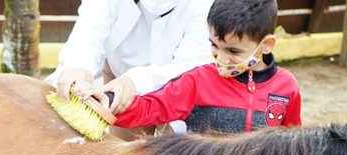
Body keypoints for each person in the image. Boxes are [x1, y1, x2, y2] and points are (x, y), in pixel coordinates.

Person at [104, 0, 302, 134]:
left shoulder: (287, 87)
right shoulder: (199, 79)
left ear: (266, 45)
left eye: (233, 51)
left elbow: (292, 141)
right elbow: (153, 107)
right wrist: (108, 104)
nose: (222, 59)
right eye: (214, 46)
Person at [46, 0, 214, 113]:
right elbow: (90, 30)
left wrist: (135, 81)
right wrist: (78, 67)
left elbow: (192, 63)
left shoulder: (204, 6)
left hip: (177, 87)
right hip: (116, 76)